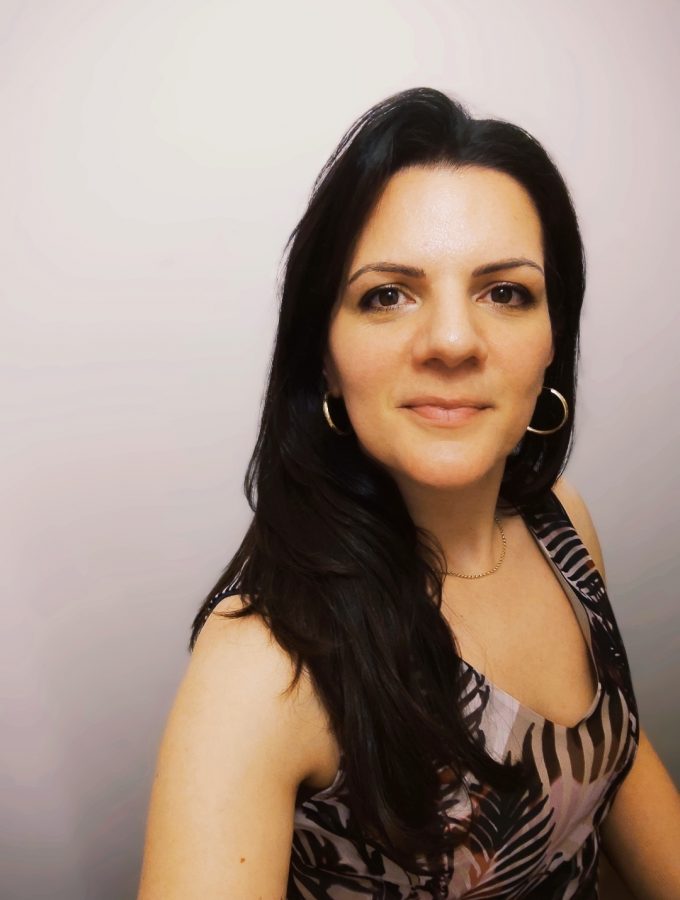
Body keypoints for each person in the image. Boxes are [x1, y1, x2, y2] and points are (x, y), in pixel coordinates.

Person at [137, 87, 680, 899]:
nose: (452, 341)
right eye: (387, 294)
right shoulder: (264, 664)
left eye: (506, 292)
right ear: (324, 357)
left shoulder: (564, 523)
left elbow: (612, 763)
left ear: (552, 345)